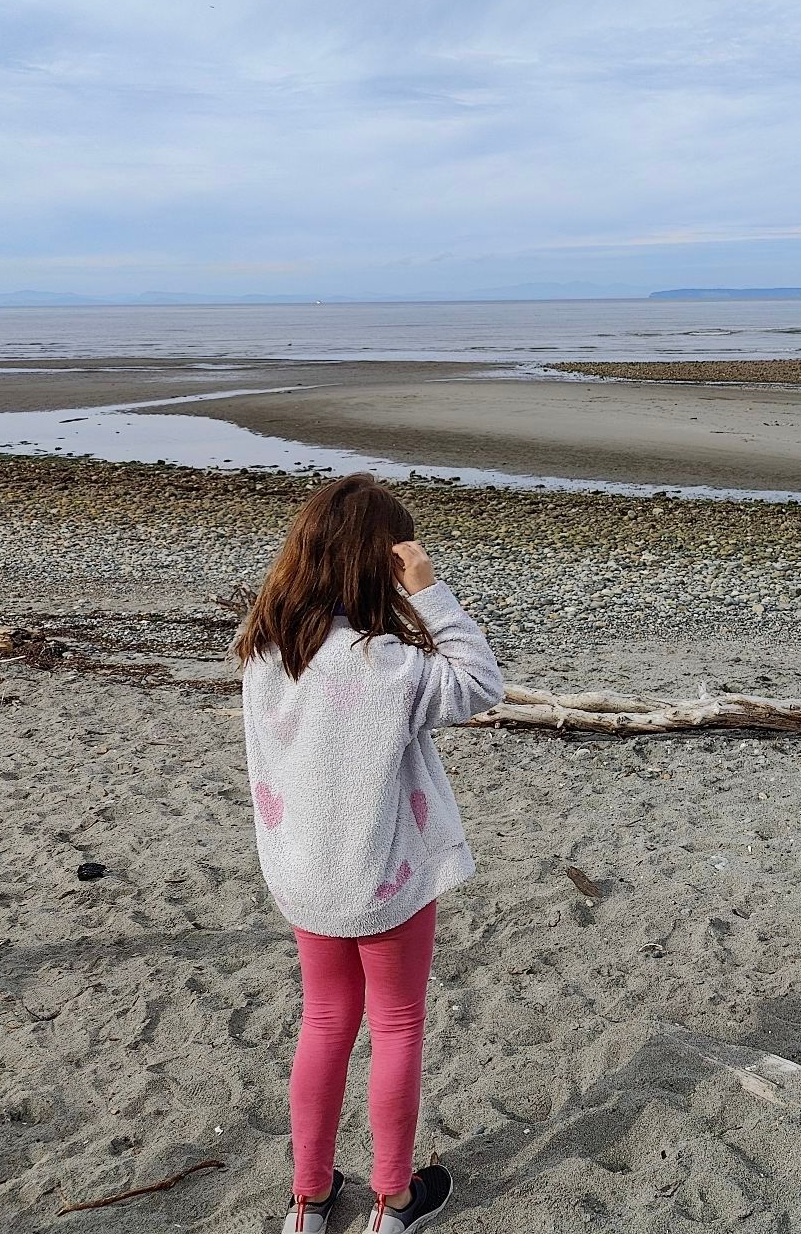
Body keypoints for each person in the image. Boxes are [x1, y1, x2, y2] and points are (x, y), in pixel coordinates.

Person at [235, 473, 505, 1234]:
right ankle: (392, 1200)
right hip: (385, 874)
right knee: (396, 1025)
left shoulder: (267, 651)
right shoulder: (385, 663)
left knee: (322, 1022)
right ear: (380, 565)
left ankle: (310, 1200)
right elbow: (481, 682)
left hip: (305, 870)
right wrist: (432, 591)